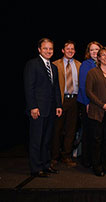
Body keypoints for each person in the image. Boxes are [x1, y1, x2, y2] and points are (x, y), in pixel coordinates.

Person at [24, 38, 62, 177]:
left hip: (51, 110)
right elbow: (29, 88)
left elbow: (56, 88)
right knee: (36, 139)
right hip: (38, 110)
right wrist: (33, 107)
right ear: (39, 49)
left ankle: (46, 165)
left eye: (50, 48)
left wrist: (58, 105)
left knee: (47, 140)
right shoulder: (32, 64)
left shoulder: (54, 67)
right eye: (45, 48)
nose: (48, 51)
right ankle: (36, 168)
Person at [86, 47, 106, 177]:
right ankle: (97, 166)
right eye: (103, 55)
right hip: (97, 112)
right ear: (98, 58)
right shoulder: (92, 73)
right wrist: (102, 105)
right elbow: (89, 92)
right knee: (97, 140)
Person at [51, 40, 81, 168]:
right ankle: (53, 157)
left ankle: (66, 156)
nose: (70, 51)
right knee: (56, 130)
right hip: (60, 101)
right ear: (63, 50)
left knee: (71, 130)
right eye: (68, 48)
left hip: (74, 100)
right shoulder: (54, 64)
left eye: (72, 49)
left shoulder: (79, 65)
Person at [77, 41, 102, 168]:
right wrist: (87, 103)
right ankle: (86, 160)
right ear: (88, 52)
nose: (94, 52)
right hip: (87, 103)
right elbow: (82, 86)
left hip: (99, 104)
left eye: (97, 49)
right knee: (88, 132)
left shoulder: (103, 64)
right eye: (92, 50)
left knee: (97, 134)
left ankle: (96, 159)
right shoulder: (85, 65)